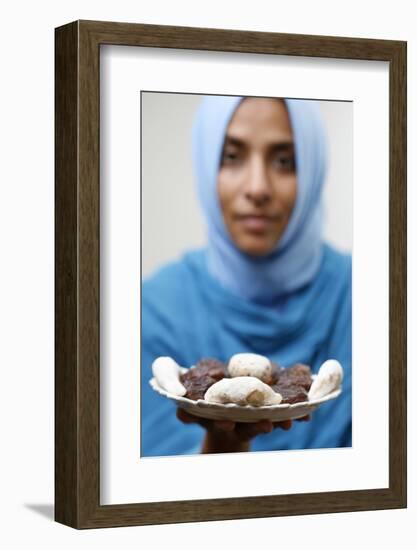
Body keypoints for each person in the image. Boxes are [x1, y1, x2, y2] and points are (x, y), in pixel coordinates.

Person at [141, 95, 352, 457]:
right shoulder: (154, 308)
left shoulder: (373, 296)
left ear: (314, 170)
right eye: (232, 157)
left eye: (285, 161)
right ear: (207, 165)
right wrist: (223, 440)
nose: (257, 188)